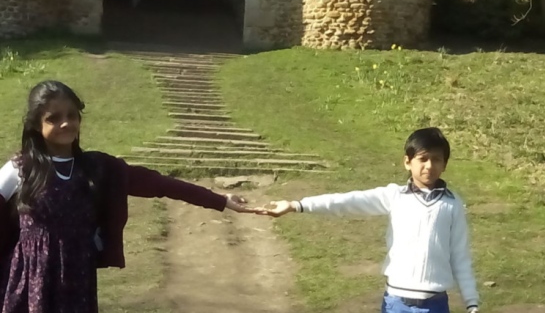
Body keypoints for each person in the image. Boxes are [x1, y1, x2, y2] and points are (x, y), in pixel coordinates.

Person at [0, 80, 260, 313]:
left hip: (77, 278)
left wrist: (220, 200)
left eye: (72, 115)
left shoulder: (97, 168)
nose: (65, 123)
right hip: (30, 278)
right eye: (53, 118)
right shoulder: (20, 169)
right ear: (35, 124)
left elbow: (159, 184)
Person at [260, 127, 480, 313]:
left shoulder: (452, 204)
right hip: (396, 302)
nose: (429, 166)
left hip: (435, 304)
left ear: (445, 164)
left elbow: (460, 256)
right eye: (422, 159)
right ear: (407, 162)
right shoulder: (395, 196)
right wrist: (296, 205)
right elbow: (346, 202)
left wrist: (471, 302)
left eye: (436, 159)